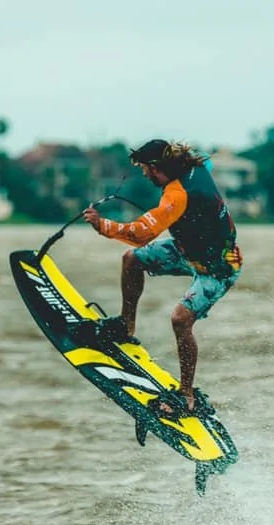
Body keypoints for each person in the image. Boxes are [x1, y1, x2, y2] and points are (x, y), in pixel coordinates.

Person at [81, 138, 243, 415]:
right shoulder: (197, 163)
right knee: (132, 260)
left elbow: (141, 234)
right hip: (186, 250)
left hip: (218, 267)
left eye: (145, 168)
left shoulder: (177, 194)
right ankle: (125, 326)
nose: (143, 174)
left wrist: (102, 224)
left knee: (181, 320)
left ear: (157, 167)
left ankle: (187, 395)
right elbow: (204, 156)